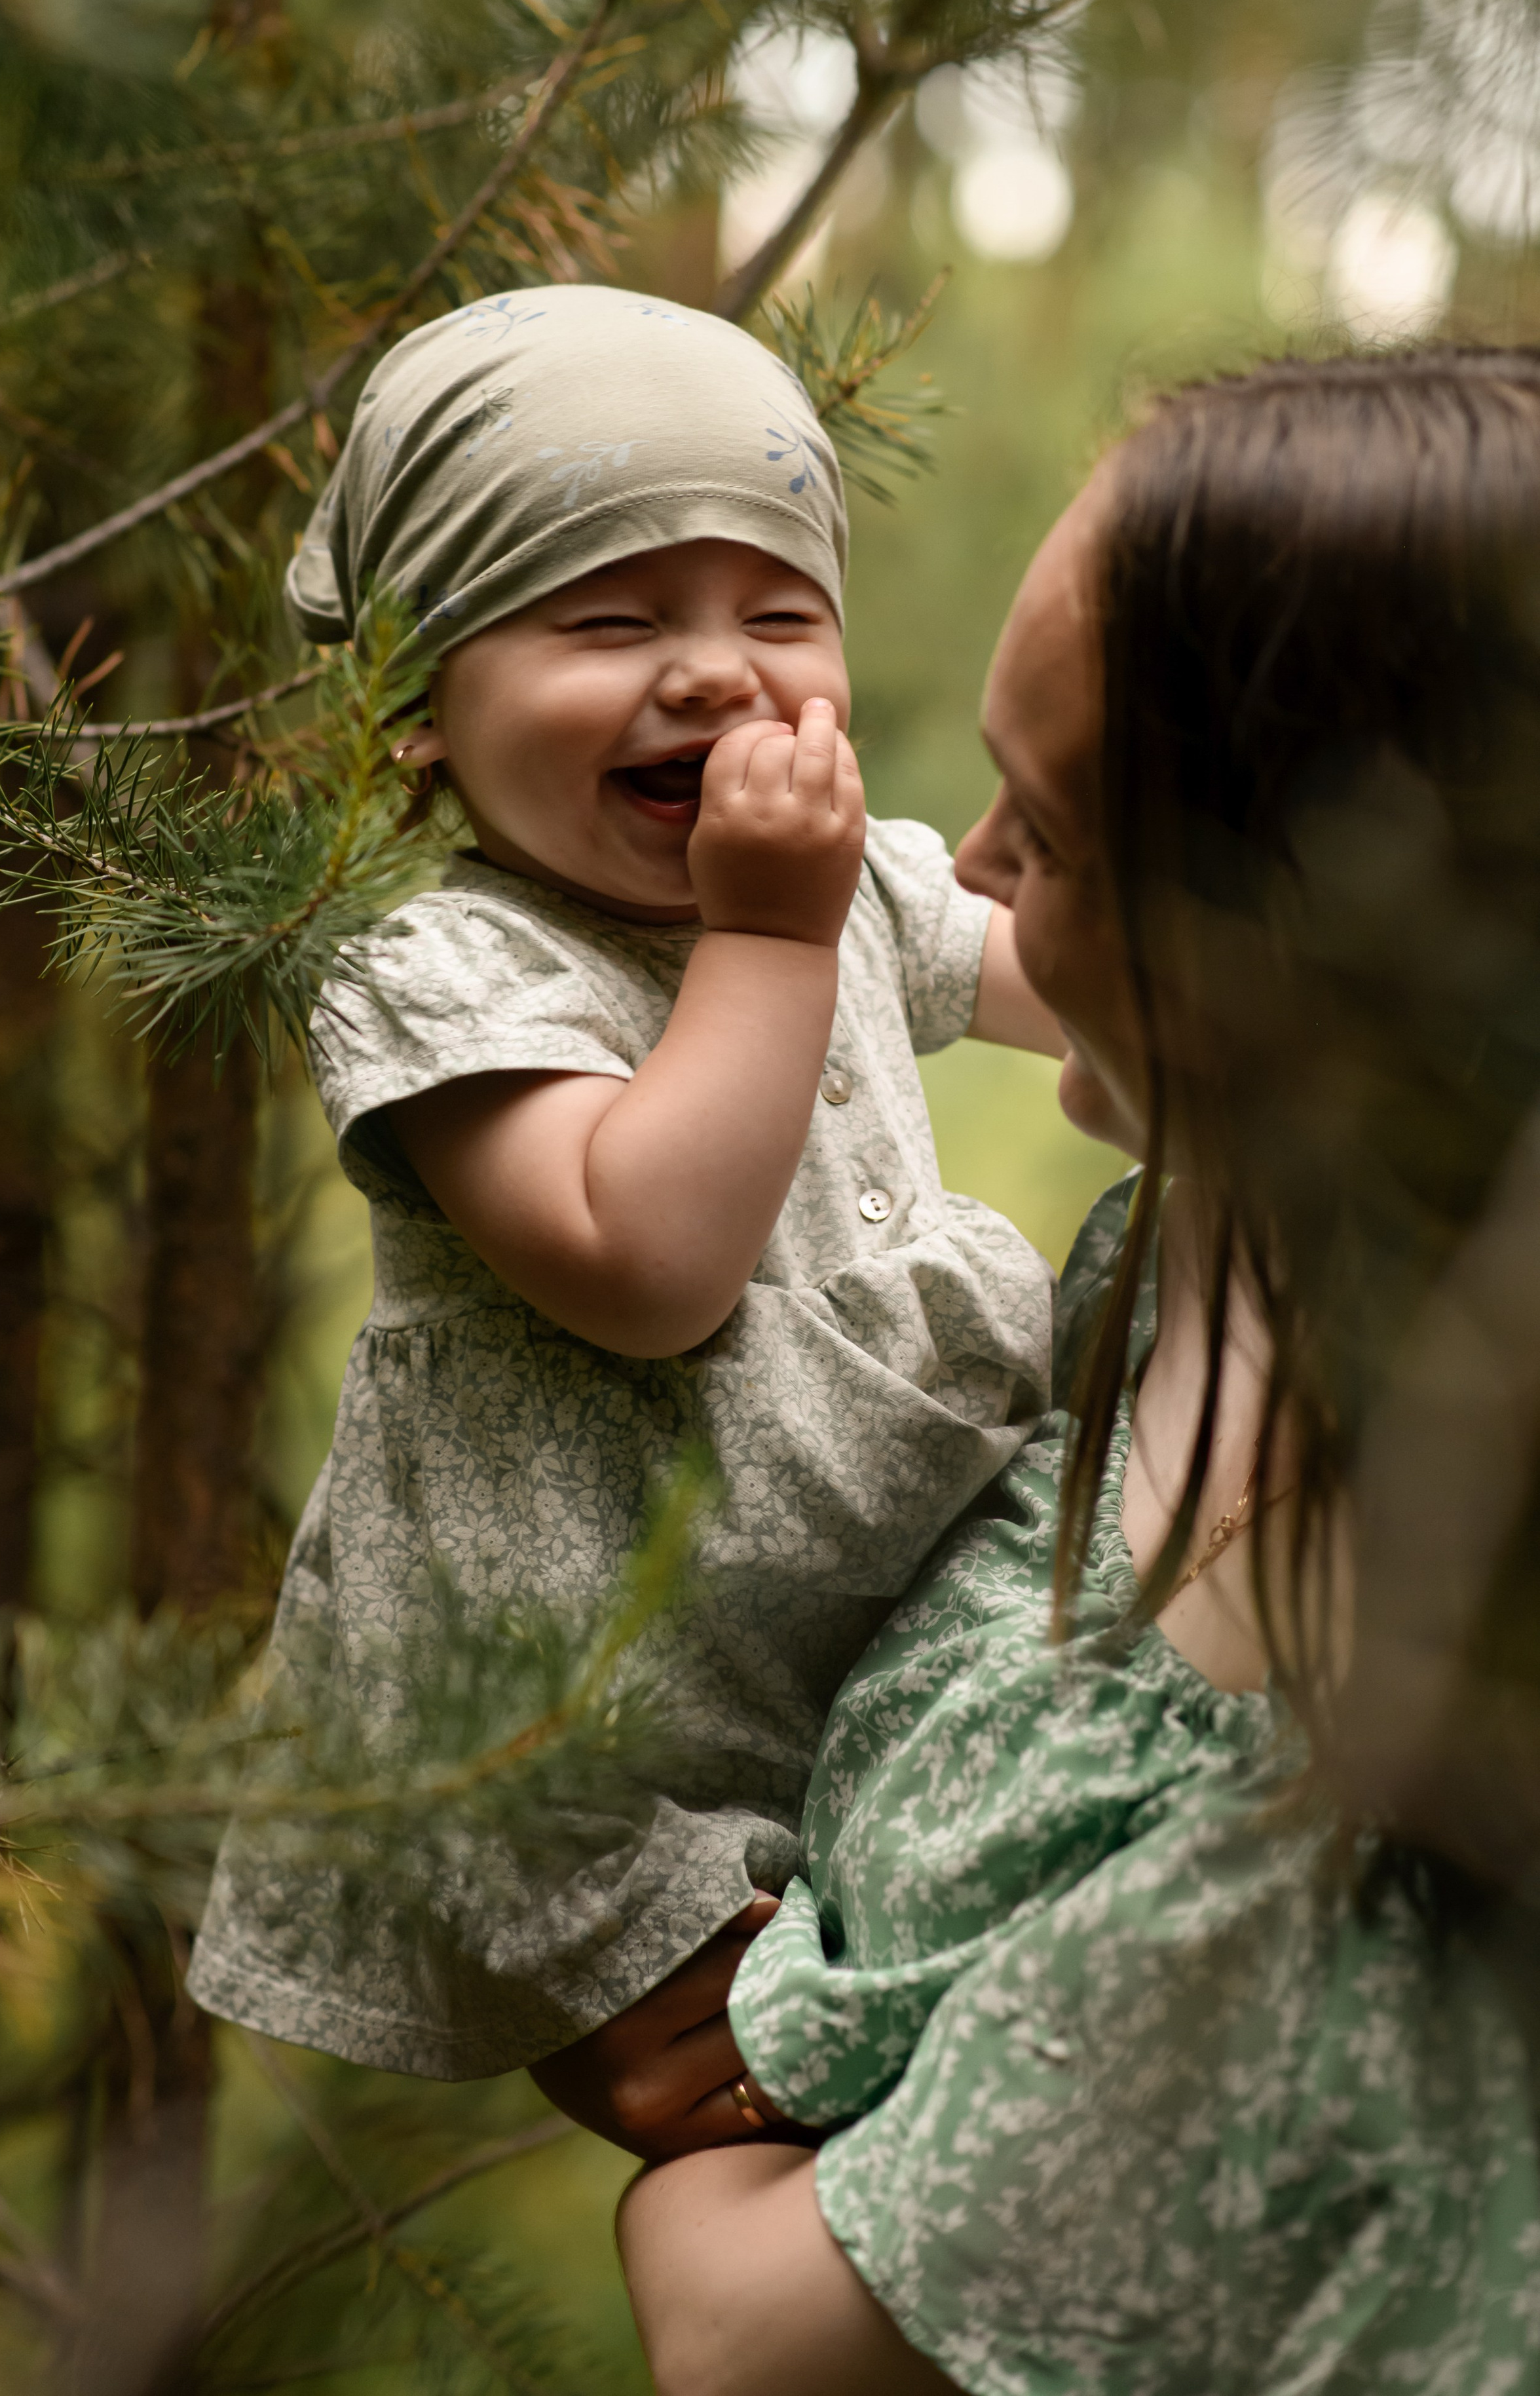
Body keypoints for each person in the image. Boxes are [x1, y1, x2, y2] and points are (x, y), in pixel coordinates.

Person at [615, 349, 1540, 2394]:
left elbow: (741, 2343)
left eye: (1051, 826)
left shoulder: (1370, 1775)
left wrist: (697, 2116)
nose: (965, 875)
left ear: (1326, 924)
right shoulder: (1229, 1220)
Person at [187, 284, 1064, 2092]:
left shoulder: (856, 886)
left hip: (860, 1646)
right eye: (606, 620)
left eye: (778, 611)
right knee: (788, 2096)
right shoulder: (439, 973)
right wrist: (766, 933)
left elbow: (1104, 993)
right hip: (585, 1760)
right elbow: (648, 1263)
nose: (717, 673)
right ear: (414, 708)